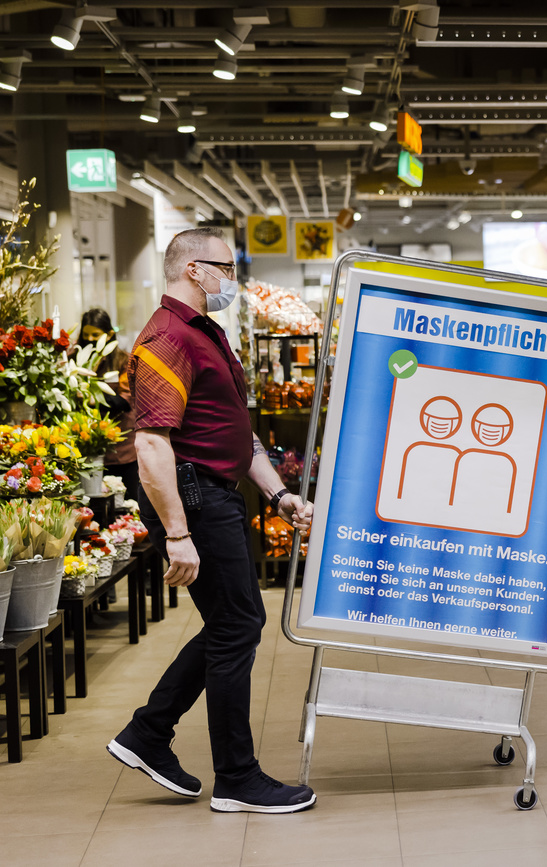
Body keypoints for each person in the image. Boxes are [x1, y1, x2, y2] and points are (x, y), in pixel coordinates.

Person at [107, 226, 317, 814]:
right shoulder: (166, 337)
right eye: (226, 266)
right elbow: (151, 446)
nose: (234, 277)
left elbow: (236, 431)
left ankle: (149, 733)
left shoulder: (206, 332)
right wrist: (177, 533)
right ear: (194, 269)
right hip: (194, 496)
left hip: (216, 491)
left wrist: (280, 495)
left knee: (234, 623)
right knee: (237, 626)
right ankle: (236, 778)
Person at [78, 308, 139, 500]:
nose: (90, 339)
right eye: (85, 335)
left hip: (122, 449)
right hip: (86, 447)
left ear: (109, 334)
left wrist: (90, 398)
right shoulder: (76, 359)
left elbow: (125, 400)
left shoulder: (123, 360)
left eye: (95, 335)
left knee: (128, 504)